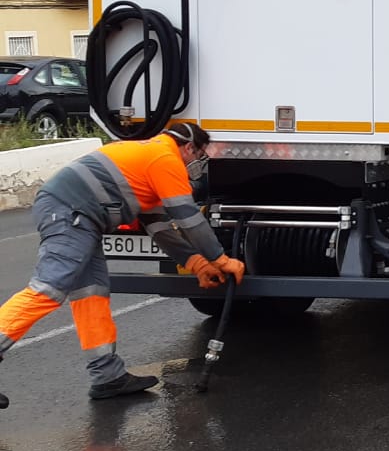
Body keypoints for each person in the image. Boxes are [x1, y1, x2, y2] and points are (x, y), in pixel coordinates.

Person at [0, 122, 244, 408]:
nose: (197, 165)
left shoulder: (148, 159)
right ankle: (106, 374)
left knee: (91, 292)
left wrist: (197, 263)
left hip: (76, 214)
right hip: (71, 212)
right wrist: (220, 258)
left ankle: (108, 376)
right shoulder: (166, 159)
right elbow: (189, 218)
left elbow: (161, 228)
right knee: (50, 287)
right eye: (199, 155)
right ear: (189, 147)